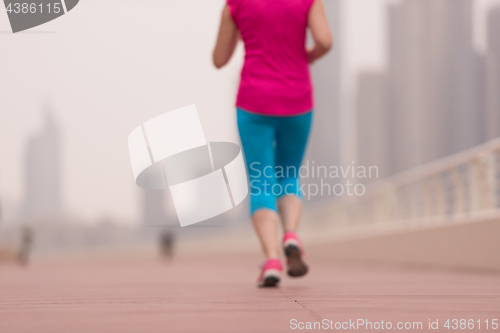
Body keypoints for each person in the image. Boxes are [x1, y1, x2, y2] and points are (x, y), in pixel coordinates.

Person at [213, 0, 332, 287]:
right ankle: (291, 234)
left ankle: (272, 260)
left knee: (261, 182)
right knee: (289, 176)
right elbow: (325, 41)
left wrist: (247, 30)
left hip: (254, 102)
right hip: (297, 99)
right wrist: (310, 55)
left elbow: (219, 60)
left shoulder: (236, 4)